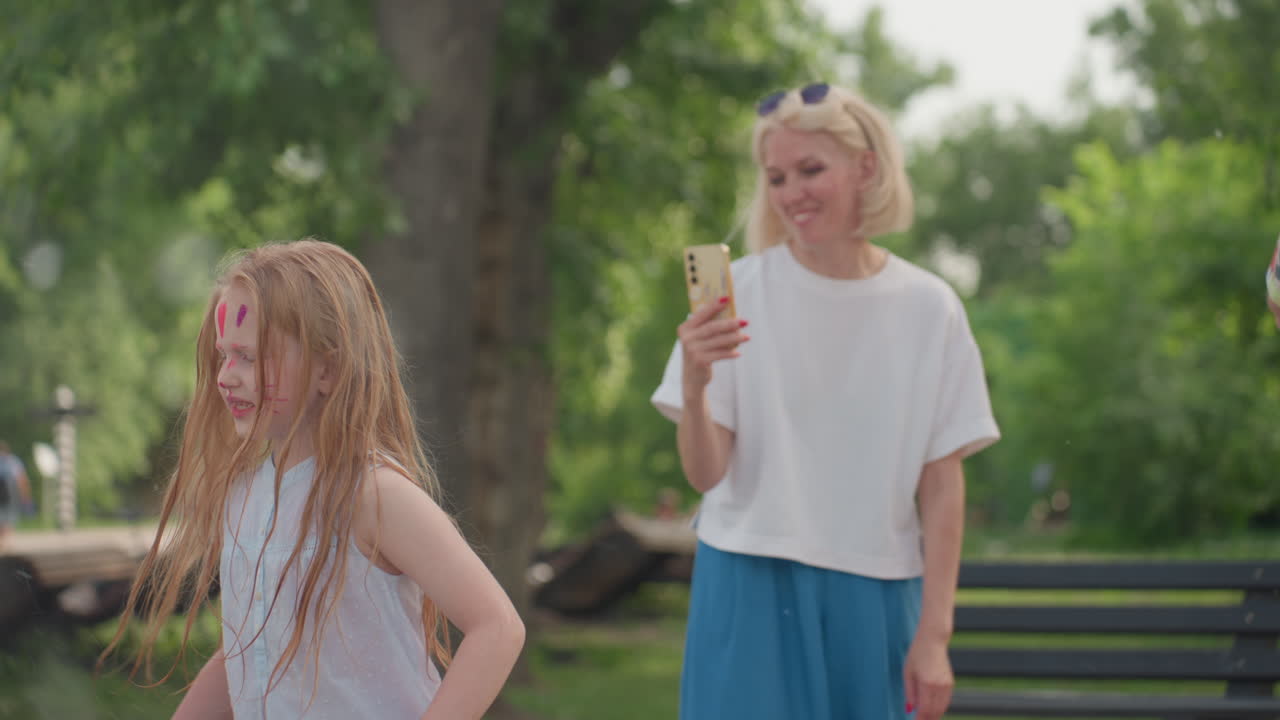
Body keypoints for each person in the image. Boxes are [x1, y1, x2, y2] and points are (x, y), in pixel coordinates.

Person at [651, 82, 1000, 720]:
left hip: (879, 585)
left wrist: (935, 636)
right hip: (746, 577)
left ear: (865, 167)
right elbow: (705, 474)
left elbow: (942, 485)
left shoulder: (931, 308)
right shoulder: (741, 294)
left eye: (811, 169)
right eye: (776, 176)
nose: (791, 194)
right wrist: (697, 384)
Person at [101, 239, 525, 719]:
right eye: (224, 356)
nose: (225, 377)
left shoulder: (372, 494)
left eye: (249, 357)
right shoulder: (244, 496)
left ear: (328, 368)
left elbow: (497, 626)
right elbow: (251, 653)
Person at [0, 440, 32, 546]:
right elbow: (21, 480)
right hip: (10, 495)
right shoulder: (13, 461)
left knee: (6, 519)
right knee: (8, 519)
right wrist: (25, 496)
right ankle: (4, 543)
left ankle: (3, 542)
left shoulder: (12, 461)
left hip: (8, 495)